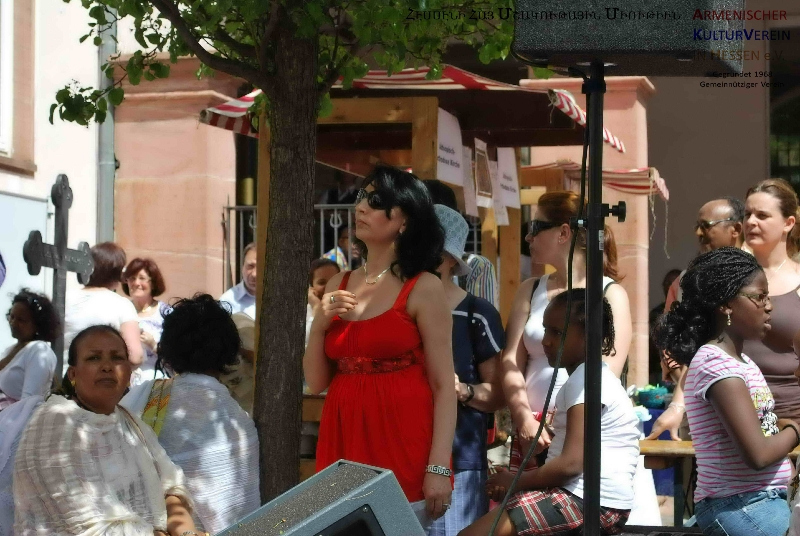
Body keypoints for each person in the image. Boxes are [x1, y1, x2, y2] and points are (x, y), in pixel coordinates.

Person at [304, 165, 456, 521]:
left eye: (376, 201)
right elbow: (316, 381)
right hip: (342, 440)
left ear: (404, 221)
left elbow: (443, 386)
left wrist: (439, 467)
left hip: (403, 443)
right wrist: (319, 324)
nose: (360, 207)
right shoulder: (338, 282)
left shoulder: (424, 287)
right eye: (361, 197)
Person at [460, 290, 639, 536]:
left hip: (589, 502)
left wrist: (514, 482)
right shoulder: (586, 377)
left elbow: (571, 464)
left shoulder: (586, 382)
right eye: (545, 330)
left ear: (589, 336)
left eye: (557, 333)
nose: (545, 341)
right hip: (588, 499)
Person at [653, 247, 797, 536]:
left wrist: (780, 428)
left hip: (762, 501)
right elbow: (758, 455)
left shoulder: (742, 362)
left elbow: (761, 431)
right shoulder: (716, 364)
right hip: (742, 507)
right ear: (727, 304)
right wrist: (796, 428)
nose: (769, 306)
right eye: (759, 297)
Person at [13, 325, 199, 536]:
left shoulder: (130, 422)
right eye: (94, 358)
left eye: (117, 358)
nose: (107, 367)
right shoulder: (55, 422)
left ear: (129, 372)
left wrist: (185, 532)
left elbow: (171, 483)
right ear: (73, 374)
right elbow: (86, 525)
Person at [500, 191, 631, 475]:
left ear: (563, 233)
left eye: (535, 227)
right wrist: (523, 418)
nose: (528, 237)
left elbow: (605, 374)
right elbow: (510, 361)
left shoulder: (609, 294)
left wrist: (558, 422)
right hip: (530, 431)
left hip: (580, 430)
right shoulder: (530, 289)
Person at [122, 295, 260, 534]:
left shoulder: (144, 396)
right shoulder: (237, 422)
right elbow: (238, 511)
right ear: (228, 351)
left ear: (169, 348)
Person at [429, 204, 506, 536]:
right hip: (401, 455)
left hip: (460, 462)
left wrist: (464, 390)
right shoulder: (397, 308)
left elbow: (499, 393)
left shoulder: (477, 312)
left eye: (430, 245)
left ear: (450, 259)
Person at [648, 196, 745, 440]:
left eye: (706, 226)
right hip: (695, 404)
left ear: (735, 229)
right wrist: (684, 382)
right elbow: (668, 339)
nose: (699, 233)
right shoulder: (684, 281)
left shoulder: (755, 278)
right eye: (697, 226)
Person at [742, 179, 800, 422]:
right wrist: (678, 406)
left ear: (788, 223)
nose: (751, 222)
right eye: (747, 214)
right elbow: (702, 346)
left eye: (762, 215)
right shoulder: (728, 279)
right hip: (734, 416)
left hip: (792, 418)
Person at [63, 242, 143, 374]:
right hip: (103, 379)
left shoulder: (65, 298)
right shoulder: (121, 304)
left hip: (65, 377)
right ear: (117, 272)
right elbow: (135, 357)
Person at [0, 290, 59, 409]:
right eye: (12, 317)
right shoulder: (9, 350)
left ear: (37, 325)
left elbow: (29, 404)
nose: (13, 323)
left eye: (21, 320)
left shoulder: (39, 351)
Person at [122, 257, 171, 385]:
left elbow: (177, 354)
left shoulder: (166, 313)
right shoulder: (121, 309)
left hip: (158, 383)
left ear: (153, 283)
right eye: (132, 278)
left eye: (142, 278)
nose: (136, 283)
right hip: (126, 383)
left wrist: (153, 344)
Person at [306, 258, 340, 348]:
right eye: (322, 282)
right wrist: (316, 307)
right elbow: (307, 340)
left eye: (333, 280)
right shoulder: (307, 310)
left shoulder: (349, 306)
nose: (329, 285)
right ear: (312, 286)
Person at [220, 242, 257, 319]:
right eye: (250, 266)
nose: (254, 274)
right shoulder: (227, 302)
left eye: (260, 267)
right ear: (242, 267)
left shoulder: (279, 299)